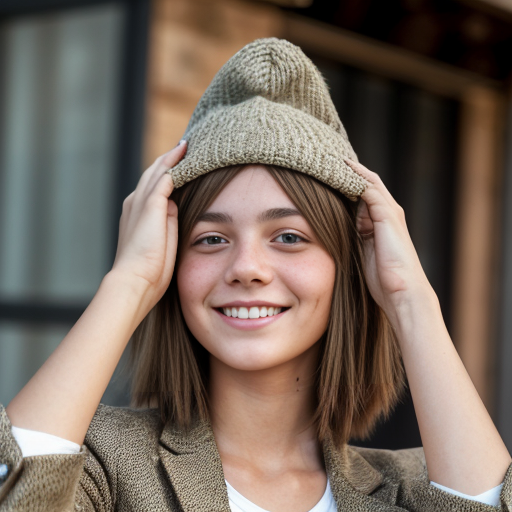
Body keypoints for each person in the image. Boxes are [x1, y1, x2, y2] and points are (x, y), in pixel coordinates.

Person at [0, 38, 511, 512]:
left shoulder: (409, 486)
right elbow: (15, 492)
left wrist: (410, 300)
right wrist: (128, 282)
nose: (246, 268)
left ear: (347, 266)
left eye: (289, 236)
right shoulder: (104, 465)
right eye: (211, 239)